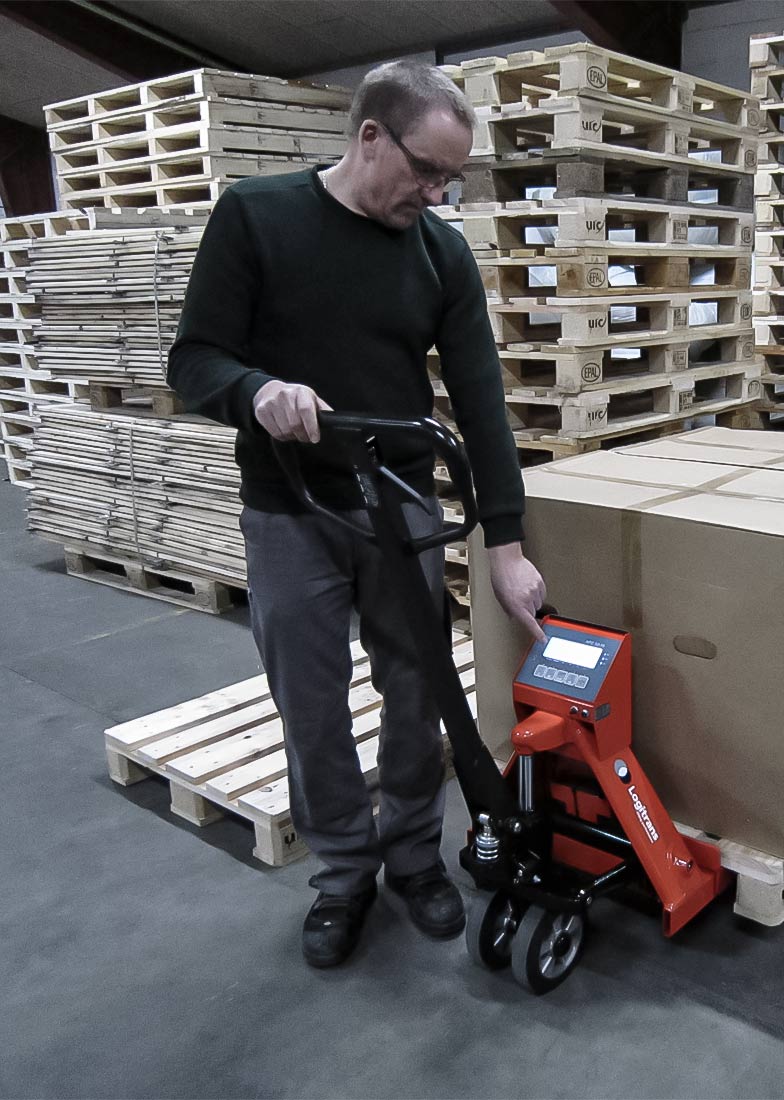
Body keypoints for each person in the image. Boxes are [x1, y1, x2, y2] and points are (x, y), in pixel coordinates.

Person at [167, 61, 546, 969]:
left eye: (451, 179)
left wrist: (505, 546)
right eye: (427, 170)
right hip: (289, 508)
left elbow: (482, 403)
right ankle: (343, 874)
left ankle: (413, 856)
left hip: (401, 508)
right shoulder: (257, 217)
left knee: (418, 692)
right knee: (310, 702)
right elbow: (195, 360)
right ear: (370, 136)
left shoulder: (440, 254)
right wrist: (256, 392)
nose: (436, 193)